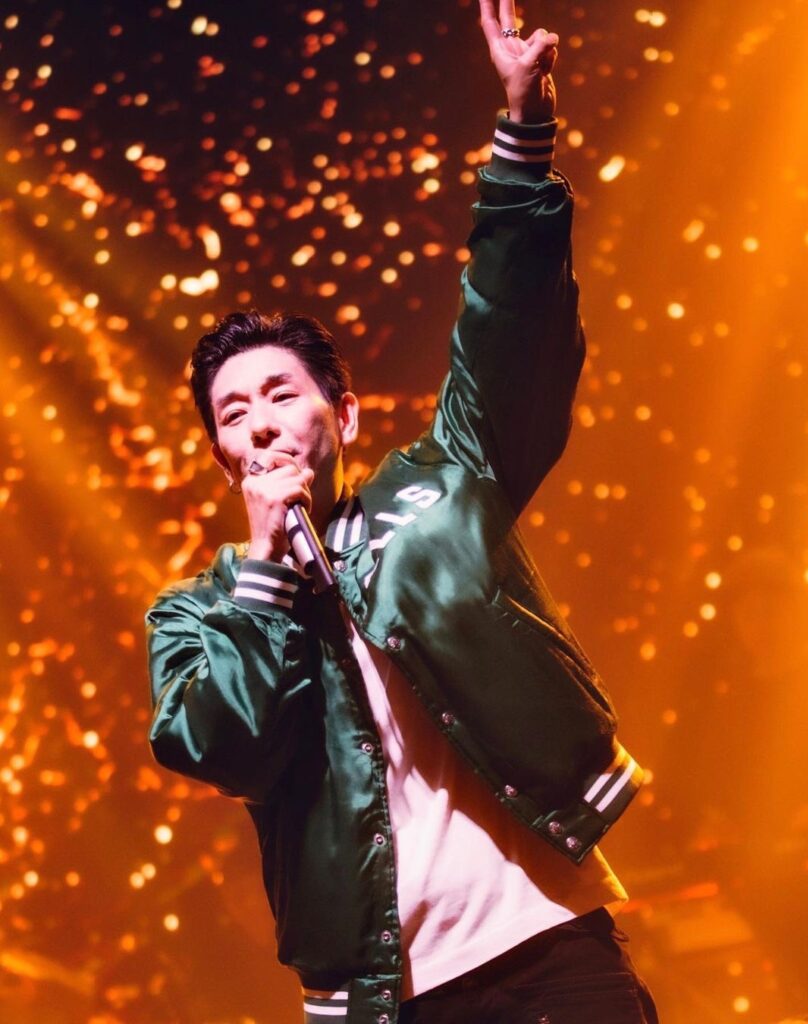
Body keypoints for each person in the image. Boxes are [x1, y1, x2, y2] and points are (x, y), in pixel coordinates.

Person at [146, 2, 657, 1021]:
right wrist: (265, 577)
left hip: (548, 936)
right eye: (232, 413)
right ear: (219, 455)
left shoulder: (441, 483)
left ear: (343, 412)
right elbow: (224, 747)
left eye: (280, 393)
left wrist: (522, 137)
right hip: (388, 994)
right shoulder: (198, 612)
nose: (259, 422)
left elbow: (510, 330)